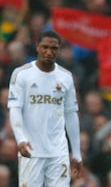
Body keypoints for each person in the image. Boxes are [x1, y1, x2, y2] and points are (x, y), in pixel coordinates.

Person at [7, 30, 83, 186]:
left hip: (58, 151)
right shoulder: (21, 74)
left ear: (59, 49)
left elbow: (71, 115)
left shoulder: (66, 77)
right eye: (45, 47)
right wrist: (20, 139)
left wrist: (76, 152)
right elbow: (15, 109)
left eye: (54, 48)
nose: (49, 52)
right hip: (31, 150)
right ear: (37, 47)